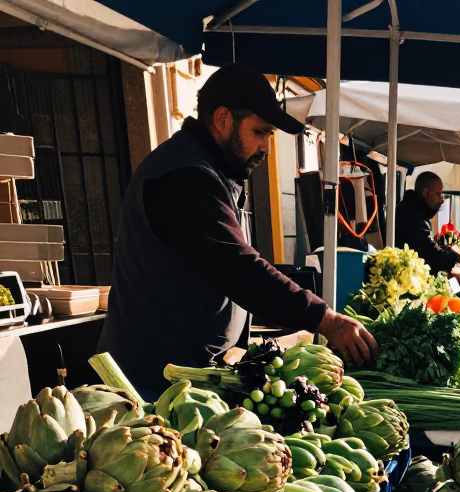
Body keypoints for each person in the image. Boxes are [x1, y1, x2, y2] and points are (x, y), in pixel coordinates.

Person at [99, 64, 375, 397]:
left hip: (189, 372)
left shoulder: (212, 170)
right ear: (223, 119)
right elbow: (239, 268)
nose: (266, 148)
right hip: (156, 380)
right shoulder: (185, 177)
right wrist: (324, 318)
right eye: (260, 132)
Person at [394, 172, 460, 274]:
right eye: (438, 194)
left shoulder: (411, 208)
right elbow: (431, 256)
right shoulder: (412, 214)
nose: (442, 200)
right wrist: (455, 257)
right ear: (425, 192)